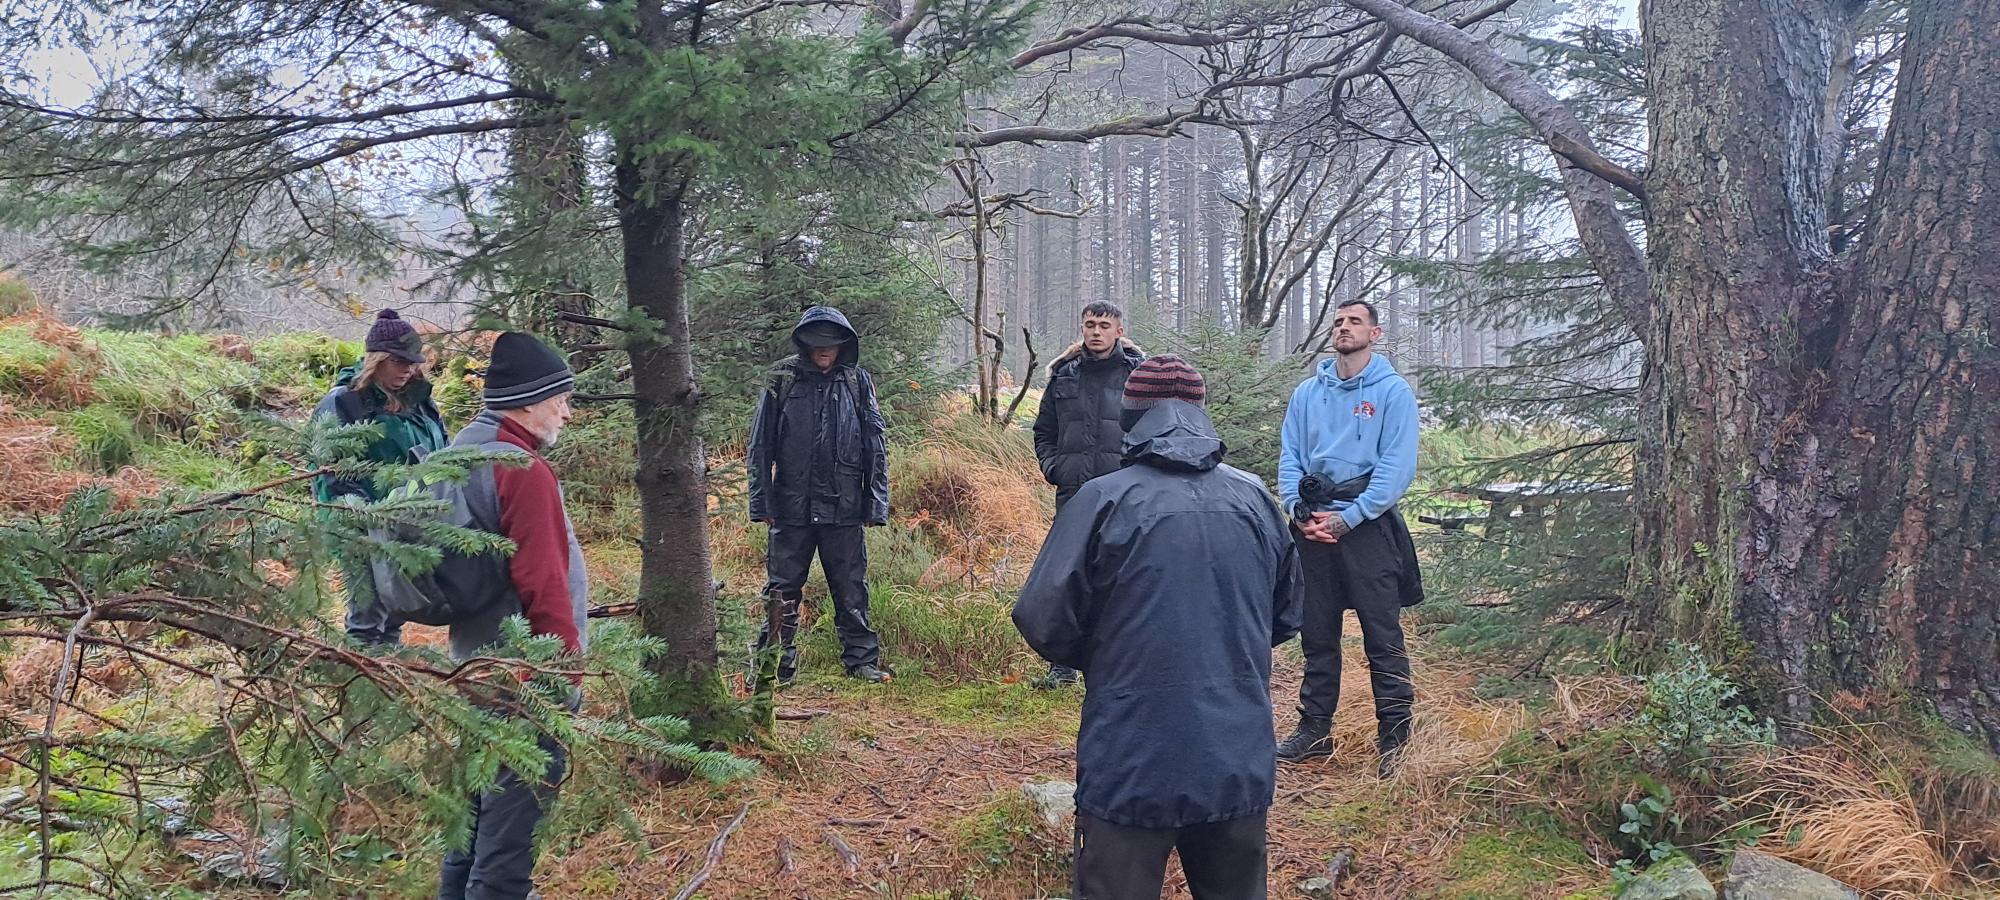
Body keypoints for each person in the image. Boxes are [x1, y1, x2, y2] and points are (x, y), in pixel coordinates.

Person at [1014, 356, 1302, 900]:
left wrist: (1109, 657)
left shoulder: (1102, 498)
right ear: (1200, 411)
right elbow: (1285, 615)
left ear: (1130, 414)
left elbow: (1043, 617)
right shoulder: (1256, 500)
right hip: (1235, 759)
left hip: (1130, 756)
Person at [435, 331, 589, 900]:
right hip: (524, 677)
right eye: (560, 400)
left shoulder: (458, 451)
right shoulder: (520, 468)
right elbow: (543, 582)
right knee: (506, 848)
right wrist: (563, 676)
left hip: (470, 664)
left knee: (472, 825)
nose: (566, 414)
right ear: (528, 401)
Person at [1274, 299, 1425, 777]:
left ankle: (1395, 738)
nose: (1344, 328)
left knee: (1383, 638)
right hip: (1311, 527)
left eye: (1354, 322)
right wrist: (1297, 511)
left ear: (1375, 334)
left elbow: (1395, 467)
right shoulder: (1306, 393)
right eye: (1338, 322)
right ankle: (1315, 730)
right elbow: (1291, 456)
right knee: (1317, 635)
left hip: (1368, 530)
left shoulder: (1392, 393)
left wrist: (1351, 518)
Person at [746, 306, 892, 684]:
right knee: (782, 589)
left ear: (844, 345)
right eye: (817, 343)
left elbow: (875, 444)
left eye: (831, 344)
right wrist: (762, 502)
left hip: (845, 507)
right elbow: (760, 444)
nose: (824, 350)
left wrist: (875, 502)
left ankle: (860, 661)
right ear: (804, 344)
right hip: (791, 506)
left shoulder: (858, 382)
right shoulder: (783, 378)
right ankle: (774, 664)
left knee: (851, 587)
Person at [313, 308, 448, 648]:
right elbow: (330, 473)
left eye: (412, 361)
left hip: (411, 525)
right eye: (398, 361)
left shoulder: (421, 402)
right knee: (367, 621)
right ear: (377, 359)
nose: (407, 369)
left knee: (394, 614)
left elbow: (444, 455)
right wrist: (371, 518)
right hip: (361, 529)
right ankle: (363, 690)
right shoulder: (344, 402)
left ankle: (387, 688)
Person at [1029, 301, 1147, 689]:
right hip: (1075, 492)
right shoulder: (1064, 376)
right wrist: (1054, 468)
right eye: (1090, 324)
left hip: (1124, 494)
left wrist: (1140, 477)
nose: (1096, 331)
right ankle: (1062, 666)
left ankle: (1115, 662)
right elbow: (1044, 430)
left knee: (1121, 576)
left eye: (1104, 325)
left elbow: (1153, 429)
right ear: (1082, 328)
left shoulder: (1137, 375)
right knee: (1068, 576)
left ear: (1119, 330)